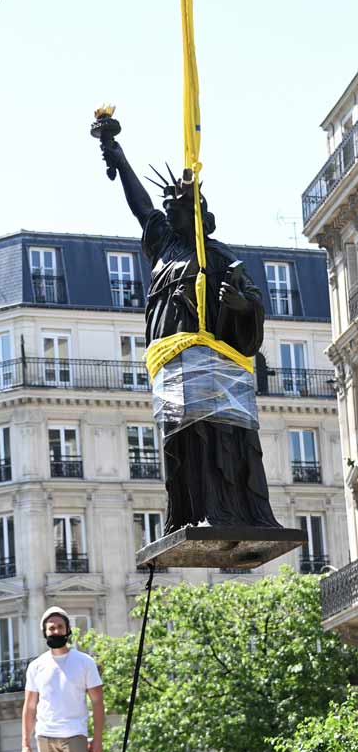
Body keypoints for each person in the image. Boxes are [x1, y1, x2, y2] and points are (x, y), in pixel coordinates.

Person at [100, 136, 282, 533]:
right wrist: (120, 156)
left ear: (194, 213)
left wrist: (237, 305)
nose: (166, 216)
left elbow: (252, 301)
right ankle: (187, 511)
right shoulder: (164, 247)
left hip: (208, 367)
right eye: (166, 211)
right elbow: (141, 208)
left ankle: (220, 510)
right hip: (172, 367)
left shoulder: (216, 255)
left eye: (174, 210)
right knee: (180, 445)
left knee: (210, 441)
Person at [21, 606, 104, 752]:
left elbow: (98, 702)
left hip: (74, 735)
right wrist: (25, 745)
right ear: (44, 632)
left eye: (59, 627)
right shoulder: (36, 666)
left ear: (68, 630)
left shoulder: (84, 662)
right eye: (51, 628)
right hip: (45, 737)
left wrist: (97, 740)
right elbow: (29, 708)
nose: (55, 631)